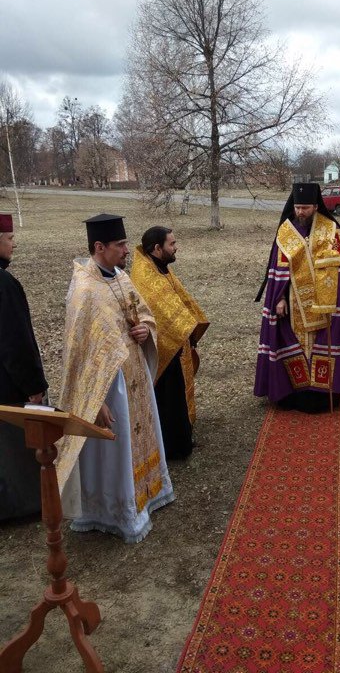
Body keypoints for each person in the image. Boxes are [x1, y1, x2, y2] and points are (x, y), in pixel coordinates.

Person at [56, 213, 174, 543]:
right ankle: (116, 511)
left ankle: (147, 495)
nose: (126, 250)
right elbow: (80, 356)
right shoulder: (84, 292)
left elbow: (144, 314)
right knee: (115, 449)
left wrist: (144, 330)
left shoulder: (121, 277)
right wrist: (98, 402)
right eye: (120, 244)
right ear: (99, 246)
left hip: (134, 375)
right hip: (109, 389)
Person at [254, 182, 340, 412]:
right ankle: (292, 393)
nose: (300, 212)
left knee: (320, 348)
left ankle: (320, 396)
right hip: (293, 304)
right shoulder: (286, 232)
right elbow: (278, 272)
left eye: (305, 207)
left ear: (316, 206)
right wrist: (280, 299)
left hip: (324, 305)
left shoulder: (331, 230)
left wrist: (333, 299)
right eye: (297, 207)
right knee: (296, 347)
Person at [131, 226, 209, 459]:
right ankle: (173, 446)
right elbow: (160, 310)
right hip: (163, 346)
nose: (176, 248)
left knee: (177, 393)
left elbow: (180, 298)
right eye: (171, 244)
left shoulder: (159, 266)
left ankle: (182, 436)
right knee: (168, 397)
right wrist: (184, 330)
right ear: (157, 248)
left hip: (176, 341)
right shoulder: (144, 275)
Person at [0, 213, 48, 520]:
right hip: (8, 385)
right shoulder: (3, 283)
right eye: (9, 238)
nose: (14, 243)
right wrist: (34, 387)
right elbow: (15, 341)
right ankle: (24, 506)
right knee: (14, 449)